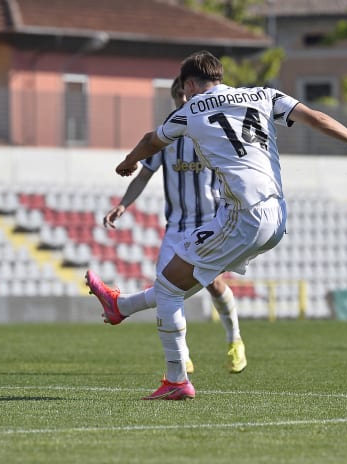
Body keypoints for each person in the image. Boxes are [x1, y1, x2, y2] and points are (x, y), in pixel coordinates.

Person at [85, 50, 347, 400]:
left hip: (243, 215)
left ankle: (176, 379)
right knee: (182, 282)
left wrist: (127, 162)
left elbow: (152, 140)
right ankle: (119, 308)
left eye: (185, 90)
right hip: (276, 216)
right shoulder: (264, 95)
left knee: (169, 286)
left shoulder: (190, 110)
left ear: (189, 84)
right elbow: (316, 117)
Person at [102, 77, 247, 375]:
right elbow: (143, 175)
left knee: (214, 283)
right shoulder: (165, 137)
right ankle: (183, 358)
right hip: (176, 226)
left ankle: (235, 341)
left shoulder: (210, 131)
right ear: (175, 100)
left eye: (188, 97)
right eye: (180, 99)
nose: (185, 103)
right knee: (166, 289)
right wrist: (123, 204)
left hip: (210, 222)